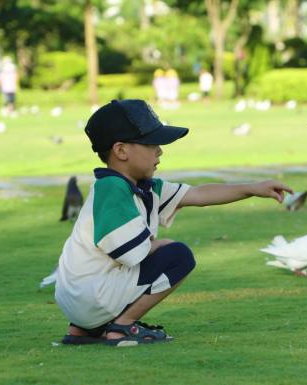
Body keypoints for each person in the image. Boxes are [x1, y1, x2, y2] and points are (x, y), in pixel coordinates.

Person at [56, 99, 292, 346]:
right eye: (151, 143)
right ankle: (121, 328)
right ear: (121, 151)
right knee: (177, 255)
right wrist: (159, 245)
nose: (160, 151)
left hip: (79, 300)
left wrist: (252, 188)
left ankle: (84, 331)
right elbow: (131, 252)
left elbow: (199, 194)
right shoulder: (112, 188)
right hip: (91, 296)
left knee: (165, 250)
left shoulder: (141, 187)